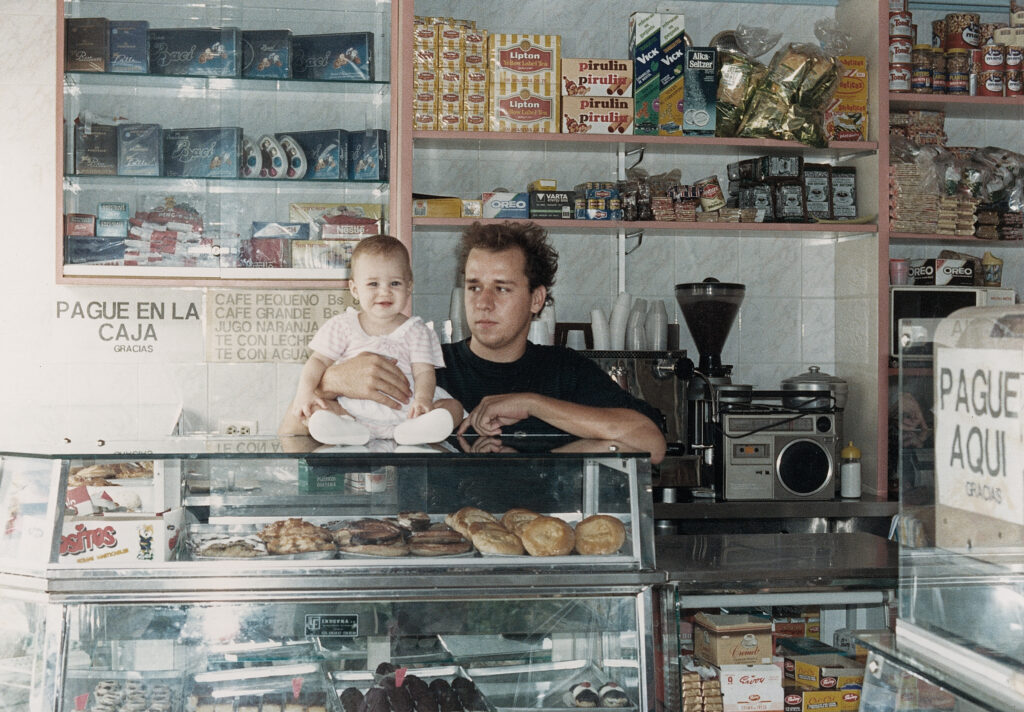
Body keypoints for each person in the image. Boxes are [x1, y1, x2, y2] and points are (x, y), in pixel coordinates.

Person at [281, 221, 666, 463]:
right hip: (440, 550)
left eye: (501, 288)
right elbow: (289, 434)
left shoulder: (565, 368)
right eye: (473, 286)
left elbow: (650, 442)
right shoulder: (428, 365)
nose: (483, 302)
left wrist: (533, 404)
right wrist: (331, 382)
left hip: (544, 552)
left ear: (536, 299)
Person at [286, 234, 463, 445]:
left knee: (454, 407)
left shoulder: (418, 330)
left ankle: (415, 432)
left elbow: (425, 371)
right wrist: (305, 392)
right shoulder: (342, 325)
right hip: (353, 410)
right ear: (354, 289)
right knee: (318, 408)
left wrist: (423, 400)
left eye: (395, 283)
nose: (384, 292)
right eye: (373, 284)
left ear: (409, 287)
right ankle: (347, 431)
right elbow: (316, 362)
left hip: (409, 411)